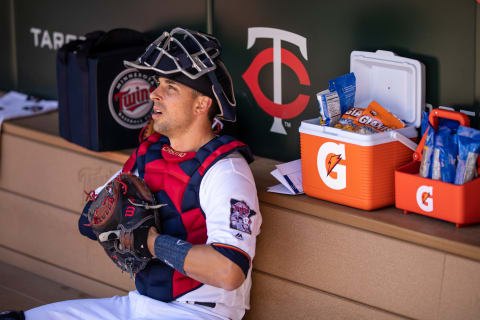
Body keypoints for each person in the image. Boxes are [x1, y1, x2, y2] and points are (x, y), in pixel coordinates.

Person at [1, 27, 261, 320]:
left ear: (202, 104)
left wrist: (149, 241)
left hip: (198, 313)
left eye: (170, 87)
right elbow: (89, 220)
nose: (154, 93)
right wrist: (117, 221)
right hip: (139, 305)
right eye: (158, 83)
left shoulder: (226, 171)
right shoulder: (150, 155)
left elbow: (229, 272)